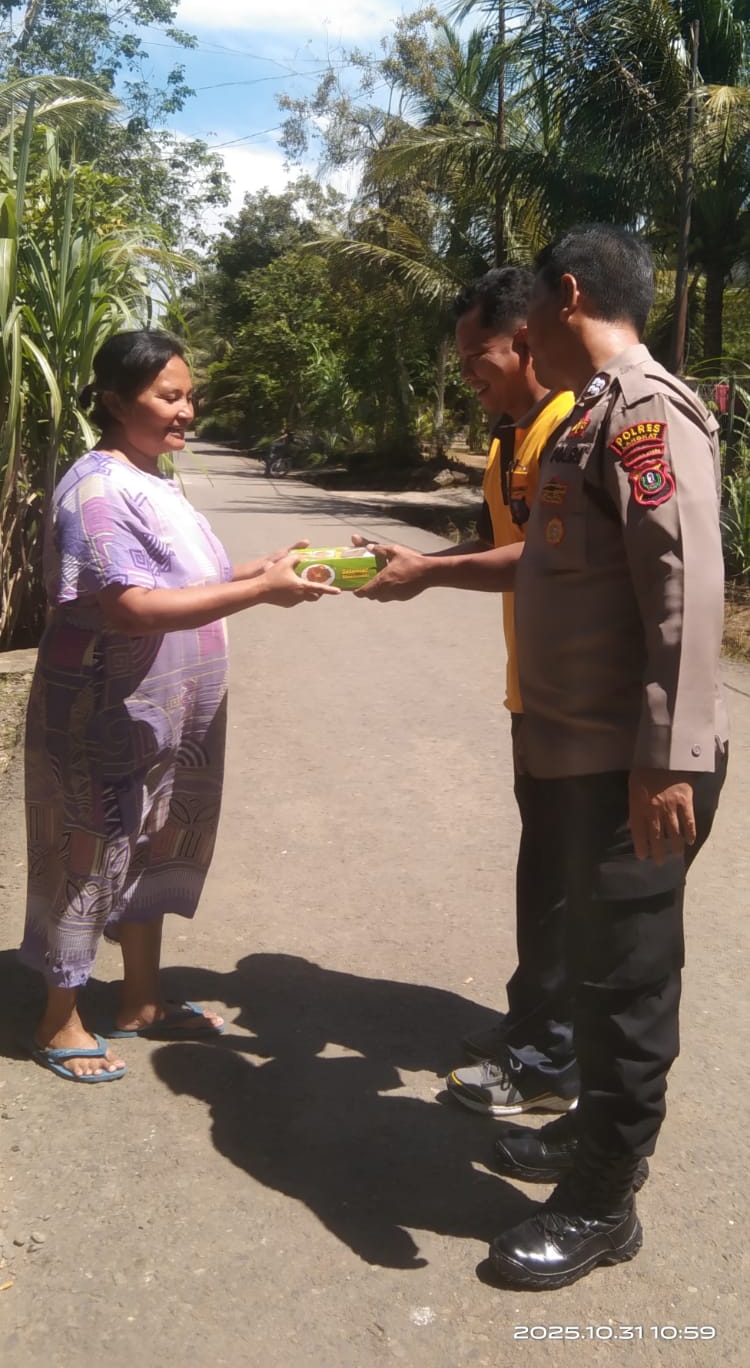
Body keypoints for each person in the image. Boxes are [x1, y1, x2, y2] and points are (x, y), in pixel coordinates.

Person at [483, 226, 728, 1289]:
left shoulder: (645, 413)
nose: (524, 329)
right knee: (594, 965)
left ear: (568, 292)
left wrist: (668, 756)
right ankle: (592, 1135)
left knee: (628, 986)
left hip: (636, 766)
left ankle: (602, 1202)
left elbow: (684, 586)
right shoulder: (583, 417)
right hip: (581, 756)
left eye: (533, 307)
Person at [20, 330, 335, 1083]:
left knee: (152, 845)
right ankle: (58, 1017)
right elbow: (129, 606)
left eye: (189, 394)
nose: (187, 410)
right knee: (88, 850)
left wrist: (266, 569)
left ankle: (141, 1003)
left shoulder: (153, 477)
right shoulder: (96, 488)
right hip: (104, 714)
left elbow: (196, 578)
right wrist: (260, 591)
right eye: (170, 396)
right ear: (114, 399)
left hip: (166, 719)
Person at [353, 266, 579, 1116]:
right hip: (535, 685)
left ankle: (550, 1062)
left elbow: (552, 553)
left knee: (563, 880)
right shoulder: (509, 433)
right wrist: (421, 563)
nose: (466, 374)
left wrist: (431, 575)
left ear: (525, 339)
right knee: (543, 871)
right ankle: (534, 1022)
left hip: (577, 696)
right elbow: (504, 542)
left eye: (476, 355)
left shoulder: (570, 425)